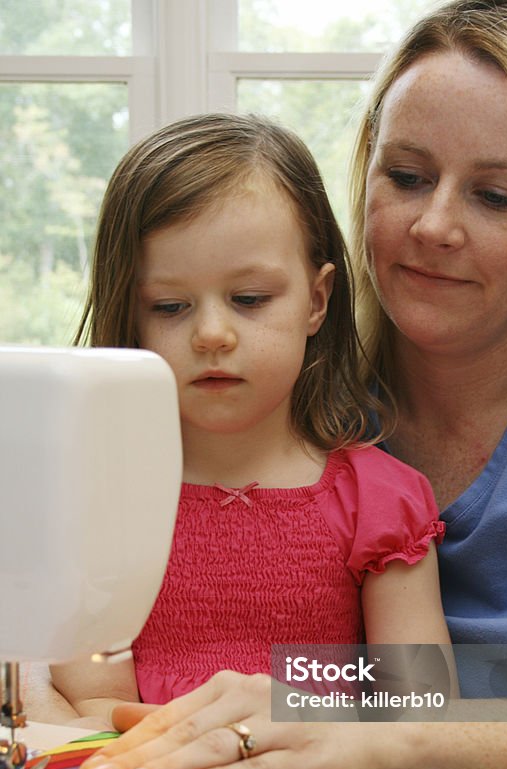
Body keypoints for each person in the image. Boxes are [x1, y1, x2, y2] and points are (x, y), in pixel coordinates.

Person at [77, 0, 507, 769]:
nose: (433, 225)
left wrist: (368, 727)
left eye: (496, 196)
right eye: (404, 177)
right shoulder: (270, 401)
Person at [45, 112, 454, 730]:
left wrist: (303, 721)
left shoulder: (379, 501)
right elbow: (93, 702)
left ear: (316, 301)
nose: (212, 333)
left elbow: (418, 703)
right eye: (170, 306)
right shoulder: (100, 502)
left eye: (250, 299)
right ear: (132, 314)